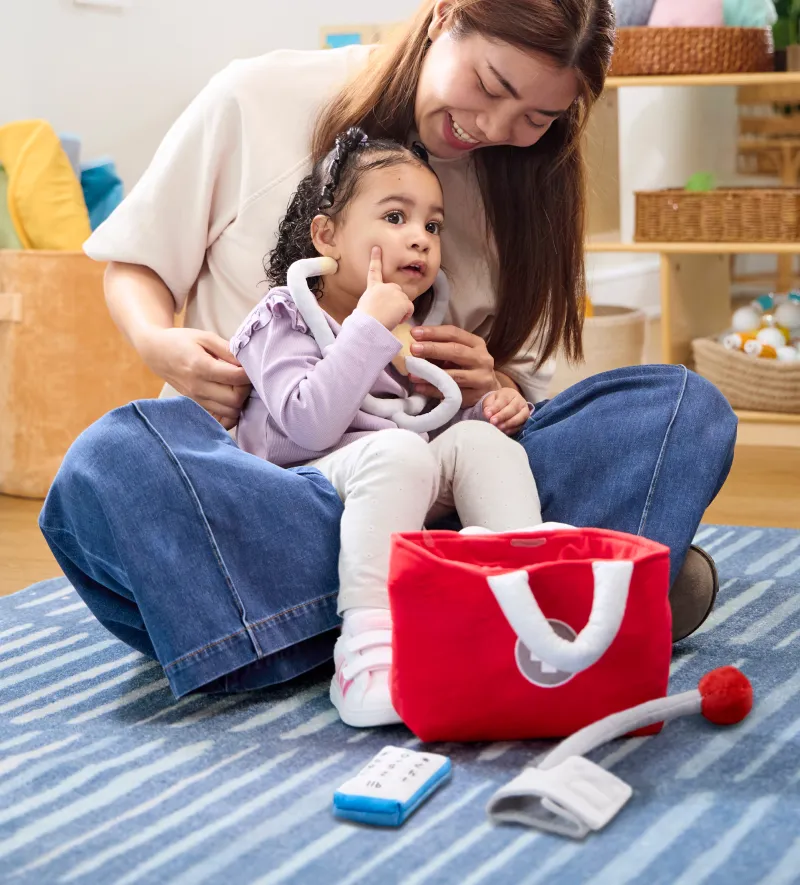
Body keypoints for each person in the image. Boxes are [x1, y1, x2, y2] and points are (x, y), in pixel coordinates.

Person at [39, 0, 737, 703]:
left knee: (682, 407)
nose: (494, 128)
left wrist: (491, 378)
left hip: (447, 492)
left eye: (537, 118)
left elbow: (522, 397)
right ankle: (550, 598)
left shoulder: (524, 182)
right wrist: (161, 343)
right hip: (270, 492)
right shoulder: (255, 99)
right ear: (445, 15)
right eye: (492, 85)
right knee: (110, 465)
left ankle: (283, 627)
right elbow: (135, 265)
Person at [232, 128, 543, 726]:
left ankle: (522, 601)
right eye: (396, 216)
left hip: (381, 478)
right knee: (396, 454)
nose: (420, 240)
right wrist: (367, 331)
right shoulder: (280, 318)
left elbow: (417, 429)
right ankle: (367, 653)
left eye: (432, 226)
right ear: (327, 236)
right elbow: (309, 423)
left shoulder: (408, 337)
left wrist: (486, 409)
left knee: (478, 443)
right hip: (291, 493)